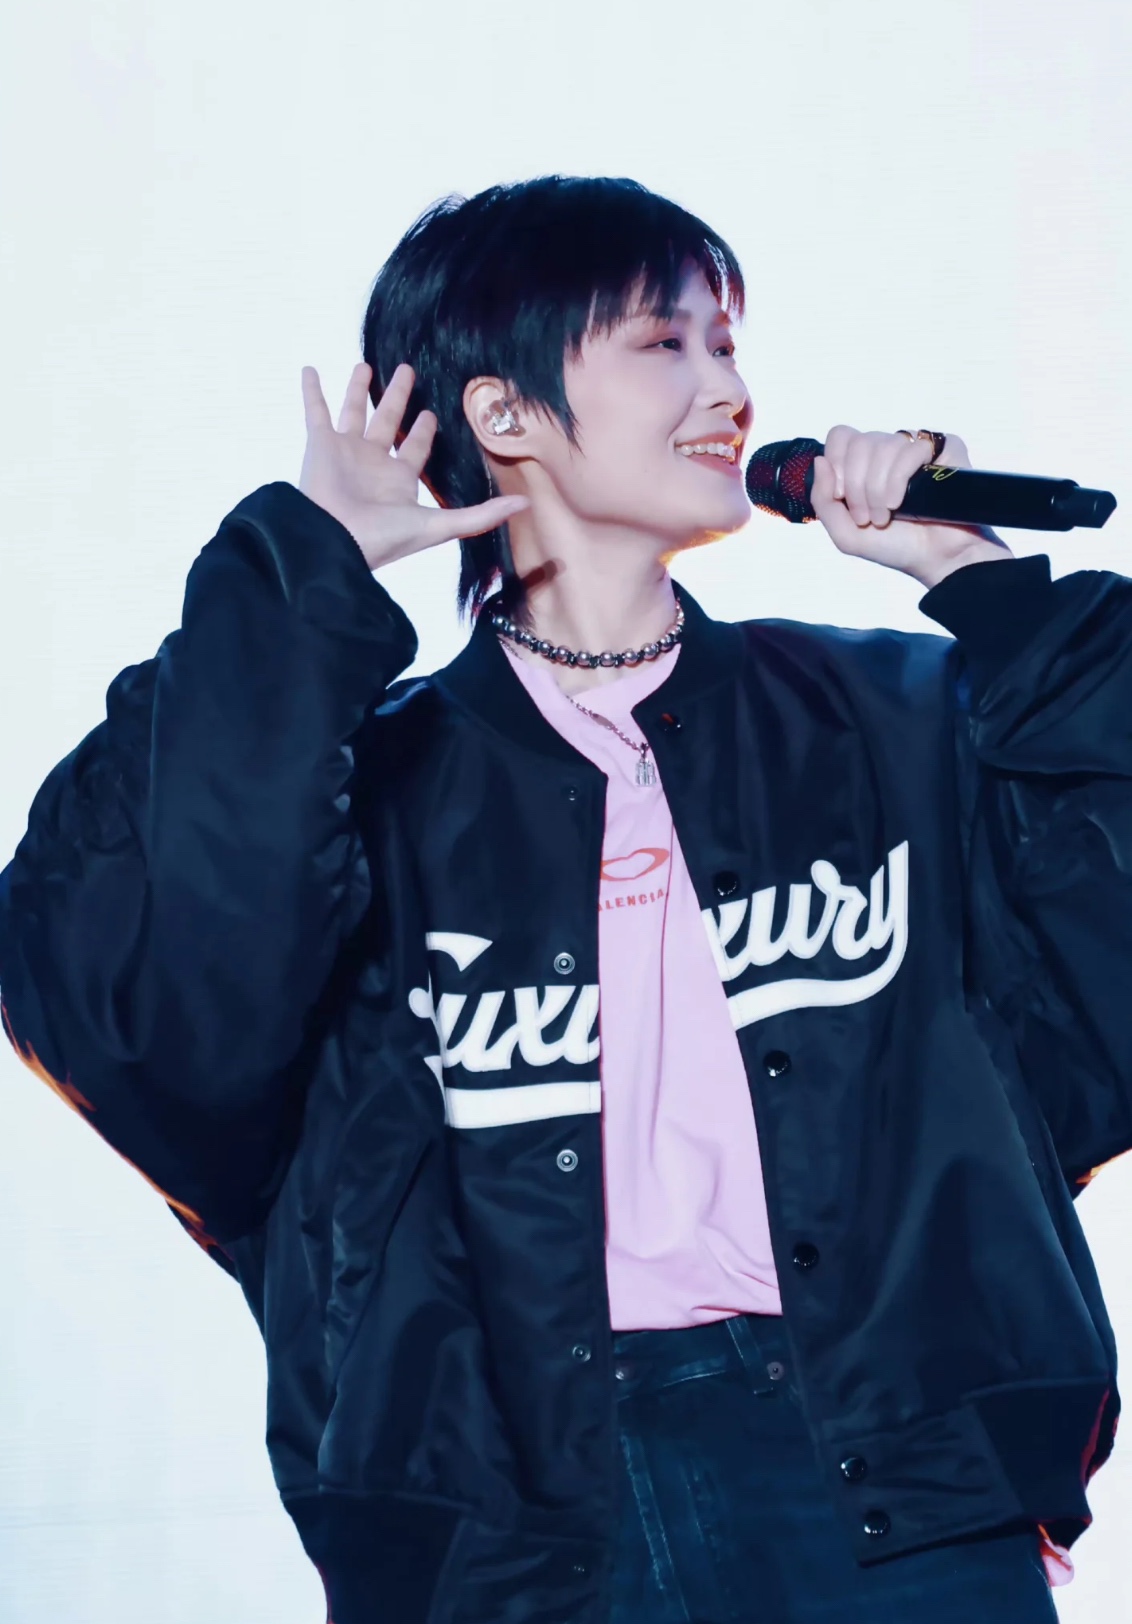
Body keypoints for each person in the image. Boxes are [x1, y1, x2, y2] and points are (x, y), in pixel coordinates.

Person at [0, 174, 1128, 1624]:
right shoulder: (363, 784)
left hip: (894, 1481)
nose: (729, 389)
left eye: (727, 342)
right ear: (505, 410)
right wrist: (301, 582)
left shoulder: (891, 715)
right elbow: (148, 1004)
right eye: (665, 341)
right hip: (518, 1526)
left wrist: (982, 585)